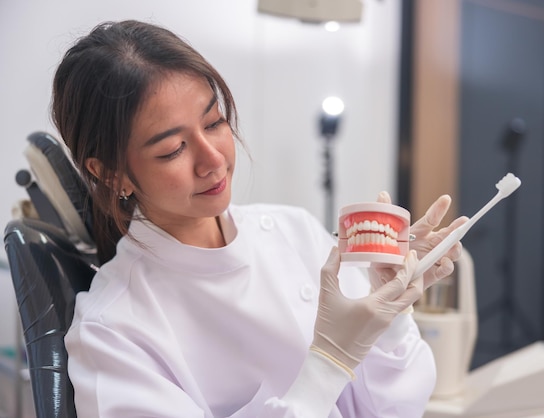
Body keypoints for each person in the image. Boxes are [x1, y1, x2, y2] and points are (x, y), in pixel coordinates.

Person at [53, 20, 466, 417]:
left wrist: (390, 315)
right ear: (110, 173)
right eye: (173, 149)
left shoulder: (294, 232)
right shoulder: (112, 332)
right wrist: (326, 364)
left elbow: (392, 411)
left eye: (214, 123)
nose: (213, 159)